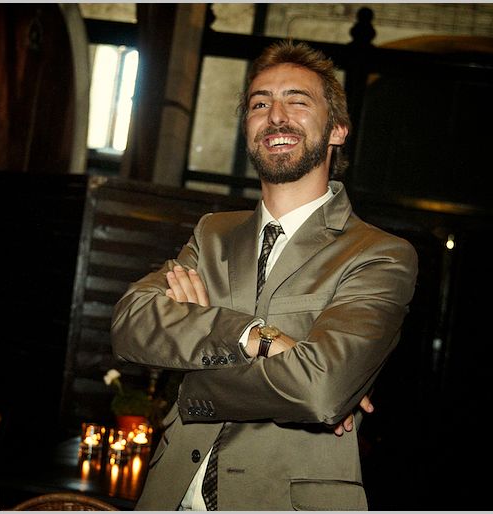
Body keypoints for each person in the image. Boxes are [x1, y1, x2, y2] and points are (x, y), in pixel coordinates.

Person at [110, 40, 418, 510]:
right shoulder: (213, 233)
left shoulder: (379, 254)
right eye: (259, 104)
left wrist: (194, 372)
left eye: (297, 100)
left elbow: (322, 389)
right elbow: (131, 324)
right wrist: (255, 336)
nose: (276, 116)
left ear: (337, 129)